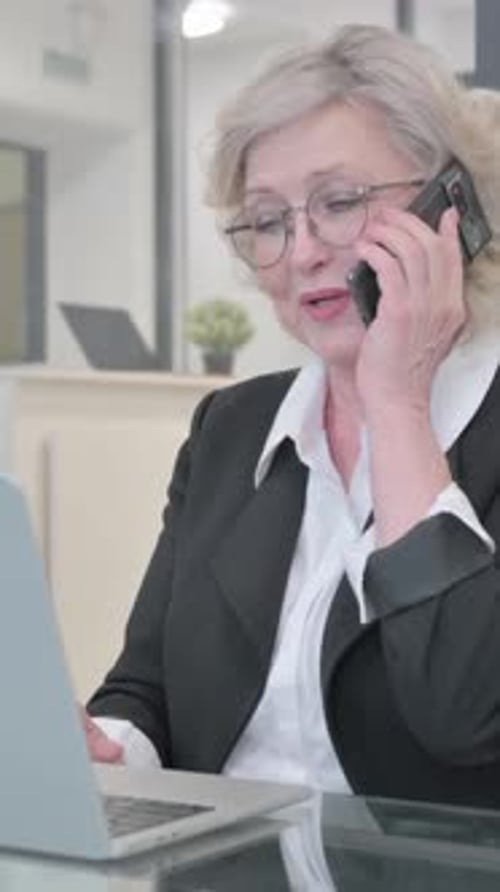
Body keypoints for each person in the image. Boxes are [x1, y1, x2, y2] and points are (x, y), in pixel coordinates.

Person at [86, 24, 500, 808]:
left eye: (339, 203)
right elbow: (147, 688)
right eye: (269, 221)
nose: (302, 252)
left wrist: (398, 403)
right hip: (220, 860)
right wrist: (109, 749)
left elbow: (465, 714)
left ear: (451, 207)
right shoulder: (230, 428)